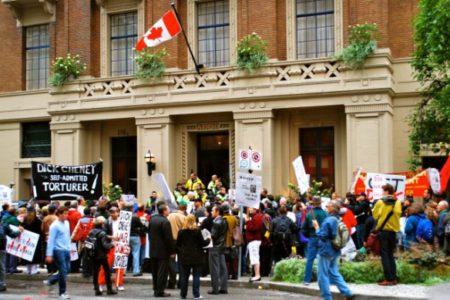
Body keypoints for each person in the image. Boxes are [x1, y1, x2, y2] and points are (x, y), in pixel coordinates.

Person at [312, 200, 354, 300]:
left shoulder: (328, 220)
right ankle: (347, 292)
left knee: (323, 276)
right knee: (334, 273)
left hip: (326, 250)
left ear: (332, 208)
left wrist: (317, 227)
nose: (326, 207)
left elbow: (322, 236)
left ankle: (327, 297)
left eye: (328, 206)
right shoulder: (338, 218)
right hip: (335, 250)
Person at [372, 184, 402, 286]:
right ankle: (393, 278)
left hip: (384, 231)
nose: (382, 193)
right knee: (391, 254)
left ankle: (388, 279)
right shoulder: (397, 202)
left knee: (384, 255)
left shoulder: (381, 202)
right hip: (393, 231)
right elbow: (398, 213)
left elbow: (375, 215)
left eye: (383, 191)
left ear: (386, 191)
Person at [177, 214, 210, 299]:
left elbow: (178, 244)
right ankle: (196, 294)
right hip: (197, 256)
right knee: (196, 276)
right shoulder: (197, 231)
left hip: (185, 256)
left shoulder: (181, 232)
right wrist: (208, 239)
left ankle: (183, 294)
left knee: (184, 276)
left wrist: (181, 252)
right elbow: (203, 243)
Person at [149, 201, 175, 298]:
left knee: (155, 271)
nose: (169, 211)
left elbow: (150, 234)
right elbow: (169, 238)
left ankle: (156, 289)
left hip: (153, 249)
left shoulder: (152, 219)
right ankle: (160, 291)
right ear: (164, 211)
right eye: (168, 209)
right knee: (162, 272)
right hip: (163, 251)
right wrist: (172, 251)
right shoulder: (165, 222)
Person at [44, 207, 72, 299]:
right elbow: (51, 240)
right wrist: (49, 254)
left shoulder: (67, 223)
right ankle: (62, 292)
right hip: (58, 250)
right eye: (64, 213)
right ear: (59, 214)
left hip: (66, 249)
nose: (66, 215)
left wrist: (69, 248)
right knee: (63, 270)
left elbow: (67, 237)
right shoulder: (54, 226)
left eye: (67, 213)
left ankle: (52, 281)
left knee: (67, 269)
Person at [301, 196, 327, 285]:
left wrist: (309, 235)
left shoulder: (309, 214)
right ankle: (323, 280)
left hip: (312, 238)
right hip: (323, 238)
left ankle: (306, 280)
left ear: (313, 203)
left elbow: (303, 229)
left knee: (310, 260)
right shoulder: (325, 214)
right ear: (320, 203)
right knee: (322, 259)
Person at [89, 216, 117, 296]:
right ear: (102, 224)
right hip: (101, 255)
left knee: (95, 272)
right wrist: (112, 244)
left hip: (93, 254)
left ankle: (96, 289)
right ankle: (109, 289)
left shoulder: (91, 232)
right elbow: (105, 245)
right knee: (107, 272)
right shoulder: (102, 233)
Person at [208, 205, 228, 295]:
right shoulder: (224, 221)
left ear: (217, 211)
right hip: (222, 246)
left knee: (214, 268)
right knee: (223, 268)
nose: (211, 212)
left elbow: (213, 236)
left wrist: (206, 235)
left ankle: (215, 289)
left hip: (215, 247)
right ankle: (223, 288)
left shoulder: (216, 222)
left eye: (212, 210)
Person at [167, 201, 188, 288]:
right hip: (181, 242)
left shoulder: (170, 216)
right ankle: (181, 283)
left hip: (171, 241)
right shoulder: (184, 218)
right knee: (181, 263)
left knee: (171, 261)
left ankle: (172, 281)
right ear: (185, 209)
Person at [0, 219, 23, 292]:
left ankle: (2, 284)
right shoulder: (3, 224)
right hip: (1, 246)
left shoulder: (3, 224)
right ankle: (1, 284)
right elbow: (12, 234)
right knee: (1, 266)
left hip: (1, 246)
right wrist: (19, 231)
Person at [245, 207, 264, 282]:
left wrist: (247, 222)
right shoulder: (256, 216)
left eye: (251, 208)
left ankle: (257, 275)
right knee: (254, 257)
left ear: (255, 209)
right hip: (254, 239)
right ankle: (256, 274)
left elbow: (254, 228)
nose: (249, 209)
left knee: (255, 257)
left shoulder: (257, 217)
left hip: (254, 239)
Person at [2, 207, 22, 274]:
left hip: (5, 237)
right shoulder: (14, 219)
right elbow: (17, 227)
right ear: (14, 212)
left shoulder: (4, 217)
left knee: (7, 253)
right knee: (13, 253)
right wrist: (19, 231)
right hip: (11, 236)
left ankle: (6, 268)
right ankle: (12, 268)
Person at [23, 206, 42, 275]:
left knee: (28, 254)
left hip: (27, 240)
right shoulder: (37, 221)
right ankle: (33, 270)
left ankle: (28, 270)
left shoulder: (25, 220)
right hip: (35, 240)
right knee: (34, 255)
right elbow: (40, 231)